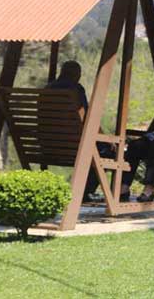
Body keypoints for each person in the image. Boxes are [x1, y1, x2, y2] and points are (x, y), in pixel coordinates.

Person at [46, 60, 113, 204]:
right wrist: (108, 140)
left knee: (96, 150)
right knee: (107, 152)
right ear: (77, 75)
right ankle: (85, 192)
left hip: (49, 147)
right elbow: (87, 118)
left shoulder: (47, 89)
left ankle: (84, 192)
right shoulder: (76, 90)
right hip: (75, 147)